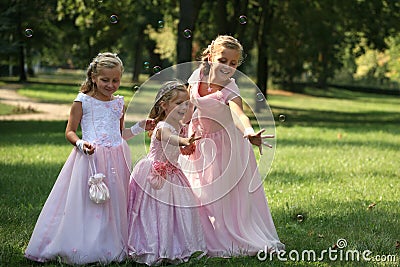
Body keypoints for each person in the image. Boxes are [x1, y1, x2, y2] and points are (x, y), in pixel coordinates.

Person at [25, 52, 152, 265]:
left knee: (113, 203)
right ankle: (85, 243)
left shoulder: (119, 103)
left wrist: (140, 127)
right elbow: (69, 131)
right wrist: (80, 143)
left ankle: (110, 243)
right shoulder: (82, 102)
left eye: (115, 80)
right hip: (91, 158)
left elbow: (120, 134)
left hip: (117, 158)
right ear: (93, 77)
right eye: (105, 80)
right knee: (91, 202)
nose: (111, 85)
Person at [182, 35, 285, 257]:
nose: (228, 67)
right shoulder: (196, 76)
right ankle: (197, 233)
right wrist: (179, 131)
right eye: (223, 60)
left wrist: (248, 132)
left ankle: (223, 235)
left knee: (219, 194)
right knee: (196, 189)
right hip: (198, 139)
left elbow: (239, 114)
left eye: (234, 63)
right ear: (210, 58)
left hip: (225, 145)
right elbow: (189, 108)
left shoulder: (230, 87)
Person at [127, 81, 207, 265]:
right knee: (153, 212)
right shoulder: (163, 126)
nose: (184, 107)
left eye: (186, 103)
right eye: (178, 103)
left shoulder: (180, 126)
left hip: (173, 173)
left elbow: (178, 147)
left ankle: (176, 242)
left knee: (177, 211)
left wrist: (187, 145)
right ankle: (154, 245)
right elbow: (169, 138)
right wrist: (183, 140)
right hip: (155, 173)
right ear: (164, 105)